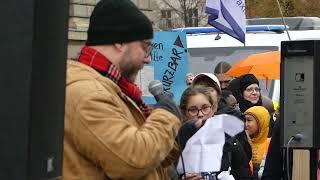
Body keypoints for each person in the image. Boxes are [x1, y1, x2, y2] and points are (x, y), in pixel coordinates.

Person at [63, 0, 182, 179]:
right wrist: (166, 115)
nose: (148, 59)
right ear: (119, 41)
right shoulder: (87, 94)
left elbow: (149, 156)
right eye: (145, 46)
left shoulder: (113, 89)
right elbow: (133, 160)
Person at [178, 86, 252, 180]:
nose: (200, 114)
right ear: (184, 112)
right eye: (193, 110)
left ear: (213, 109)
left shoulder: (231, 143)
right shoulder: (173, 145)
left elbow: (245, 176)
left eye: (205, 108)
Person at [244, 106, 271, 179]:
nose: (246, 124)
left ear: (261, 122)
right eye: (244, 120)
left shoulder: (269, 143)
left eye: (249, 120)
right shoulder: (242, 143)